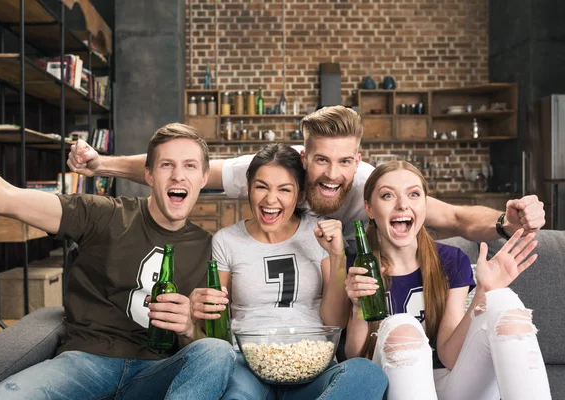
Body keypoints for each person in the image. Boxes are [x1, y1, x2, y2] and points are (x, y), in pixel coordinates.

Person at [0, 124, 235, 399]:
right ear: (149, 175)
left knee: (218, 352)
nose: (178, 176)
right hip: (83, 364)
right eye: (167, 165)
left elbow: (207, 345)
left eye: (190, 166)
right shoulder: (103, 214)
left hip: (156, 372)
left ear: (204, 178)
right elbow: (2, 198)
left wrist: (188, 328)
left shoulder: (208, 249)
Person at [66, 106, 546, 256]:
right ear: (303, 154)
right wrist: (102, 165)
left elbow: (457, 217)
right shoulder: (278, 171)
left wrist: (506, 222)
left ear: (357, 158)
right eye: (320, 160)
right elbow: (184, 168)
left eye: (343, 162)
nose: (332, 174)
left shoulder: (367, 183)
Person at [191, 143, 388, 400]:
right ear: (248, 188)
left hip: (313, 363)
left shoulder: (318, 233)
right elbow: (216, 320)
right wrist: (199, 313)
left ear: (300, 194)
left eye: (284, 189)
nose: (271, 200)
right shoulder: (226, 240)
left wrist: (337, 255)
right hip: (248, 365)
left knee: (368, 374)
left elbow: (335, 322)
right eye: (261, 187)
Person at [343, 160, 551, 400]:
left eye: (413, 194)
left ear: (424, 205)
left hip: (449, 383)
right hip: (392, 384)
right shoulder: (357, 267)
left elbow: (450, 355)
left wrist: (485, 290)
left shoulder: (451, 260)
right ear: (369, 208)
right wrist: (359, 305)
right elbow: (356, 359)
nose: (402, 205)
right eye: (388, 195)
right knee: (402, 327)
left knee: (502, 299)